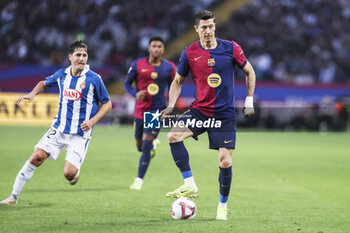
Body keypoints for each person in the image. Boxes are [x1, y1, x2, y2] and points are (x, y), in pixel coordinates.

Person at [161, 10, 256, 221]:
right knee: (173, 136)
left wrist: (248, 101)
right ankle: (189, 184)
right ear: (196, 29)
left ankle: (222, 206)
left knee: (225, 162)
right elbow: (177, 81)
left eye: (211, 26)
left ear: (215, 27)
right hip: (200, 111)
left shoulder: (231, 48)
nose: (208, 31)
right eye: (204, 27)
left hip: (224, 115)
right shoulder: (189, 53)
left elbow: (250, 71)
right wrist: (170, 105)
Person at [0, 41, 112, 204]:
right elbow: (43, 84)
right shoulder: (61, 75)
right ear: (70, 57)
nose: (81, 58)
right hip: (59, 128)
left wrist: (93, 121)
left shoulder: (94, 79)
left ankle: (75, 172)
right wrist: (32, 94)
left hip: (79, 134)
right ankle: (13, 196)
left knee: (68, 174)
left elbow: (107, 103)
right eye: (78, 55)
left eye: (84, 55)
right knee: (36, 157)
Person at [124, 36, 176, 190]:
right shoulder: (138, 64)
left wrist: (170, 106)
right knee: (140, 146)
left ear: (163, 49)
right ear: (149, 48)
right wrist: (135, 94)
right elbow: (127, 83)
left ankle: (138, 180)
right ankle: (152, 146)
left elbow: (174, 86)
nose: (156, 49)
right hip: (140, 110)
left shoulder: (169, 67)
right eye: (153, 46)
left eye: (159, 46)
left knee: (146, 143)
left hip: (156, 110)